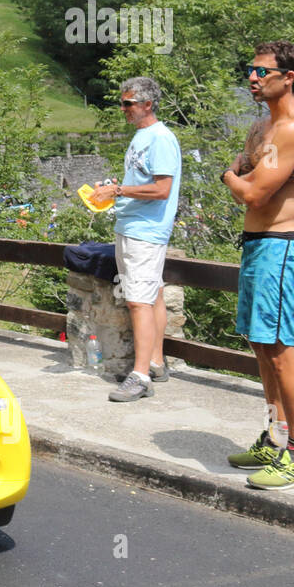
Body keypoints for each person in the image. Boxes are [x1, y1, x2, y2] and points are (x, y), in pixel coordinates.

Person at [221, 41, 294, 490]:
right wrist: (247, 173)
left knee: (281, 350)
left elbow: (253, 193)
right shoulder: (261, 130)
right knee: (261, 347)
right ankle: (276, 437)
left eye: (261, 71)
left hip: (283, 247)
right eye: (250, 69)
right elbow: (253, 179)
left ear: (288, 78)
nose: (252, 78)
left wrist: (230, 174)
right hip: (259, 245)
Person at [90, 77, 182, 404]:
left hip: (145, 232)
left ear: (147, 104)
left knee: (138, 301)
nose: (123, 108)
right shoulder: (143, 137)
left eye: (128, 103)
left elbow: (162, 190)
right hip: (134, 227)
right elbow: (143, 183)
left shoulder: (160, 138)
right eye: (122, 102)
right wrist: (117, 188)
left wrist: (118, 190)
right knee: (152, 295)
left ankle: (140, 376)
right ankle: (155, 362)